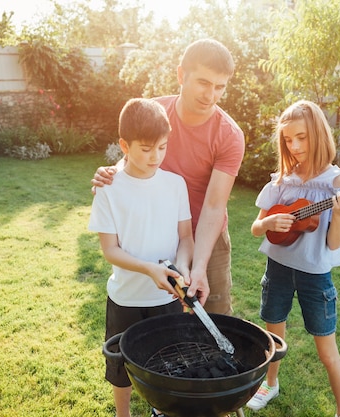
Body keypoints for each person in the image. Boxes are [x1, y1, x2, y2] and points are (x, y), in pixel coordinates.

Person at [91, 39, 245, 315]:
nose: (211, 95)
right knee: (161, 325)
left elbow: (213, 206)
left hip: (207, 235)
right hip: (157, 231)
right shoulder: (156, 112)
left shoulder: (229, 136)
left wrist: (198, 266)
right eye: (203, 82)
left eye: (219, 87)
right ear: (181, 75)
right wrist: (112, 172)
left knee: (215, 320)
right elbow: (133, 156)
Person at [246, 100, 340, 417]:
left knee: (326, 350)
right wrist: (267, 224)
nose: (294, 146)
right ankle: (271, 383)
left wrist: (338, 214)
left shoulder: (338, 183)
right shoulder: (283, 180)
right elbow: (256, 227)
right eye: (288, 140)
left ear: (318, 134)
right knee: (273, 338)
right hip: (277, 268)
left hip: (315, 275)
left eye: (302, 138)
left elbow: (334, 245)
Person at [88, 98, 194, 417]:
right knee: (121, 369)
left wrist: (184, 269)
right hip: (125, 300)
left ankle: (160, 410)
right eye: (146, 148)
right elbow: (110, 250)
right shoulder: (108, 189)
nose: (156, 157)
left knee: (166, 363)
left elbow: (186, 237)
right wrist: (149, 269)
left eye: (162, 147)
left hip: (166, 299)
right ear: (124, 145)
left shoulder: (175, 185)